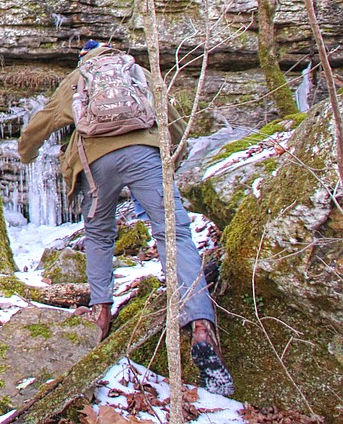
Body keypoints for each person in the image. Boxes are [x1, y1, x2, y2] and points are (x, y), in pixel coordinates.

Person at [18, 40, 234, 397]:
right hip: (145, 153)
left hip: (95, 161)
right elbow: (170, 117)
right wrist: (173, 156)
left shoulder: (77, 77)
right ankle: (200, 325)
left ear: (85, 57)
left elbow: (42, 122)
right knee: (173, 233)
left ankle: (101, 313)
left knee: (99, 235)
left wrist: (26, 154)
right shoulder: (137, 71)